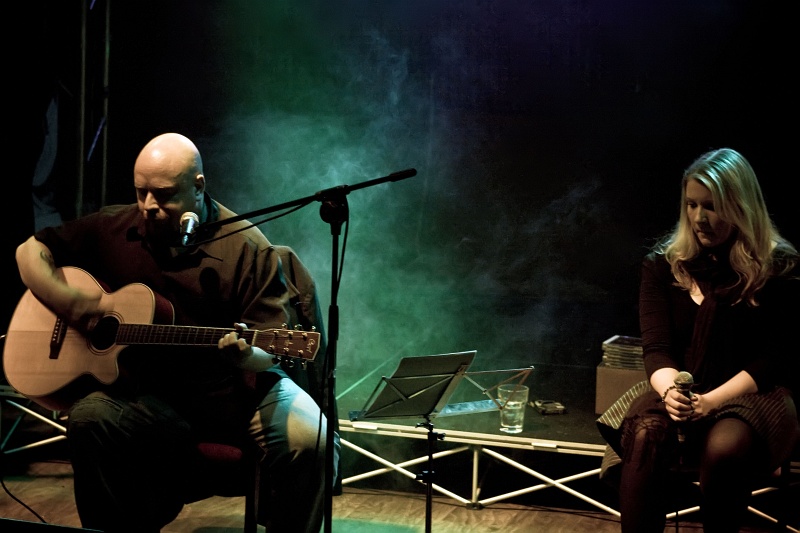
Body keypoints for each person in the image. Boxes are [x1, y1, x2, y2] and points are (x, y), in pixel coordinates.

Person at [14, 132, 339, 533]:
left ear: (198, 186)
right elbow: (29, 251)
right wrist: (72, 305)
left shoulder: (247, 248)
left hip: (229, 393)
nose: (149, 207)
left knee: (313, 439)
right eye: (141, 192)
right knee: (88, 418)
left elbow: (269, 345)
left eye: (164, 195)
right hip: (142, 395)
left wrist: (246, 355)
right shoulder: (113, 226)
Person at [596, 148, 800, 532]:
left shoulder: (777, 267)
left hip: (754, 392)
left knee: (723, 448)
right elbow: (657, 349)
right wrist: (673, 392)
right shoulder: (663, 264)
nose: (699, 218)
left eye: (711, 206)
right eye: (691, 204)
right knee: (645, 433)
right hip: (684, 387)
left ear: (741, 207)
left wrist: (710, 402)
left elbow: (773, 358)